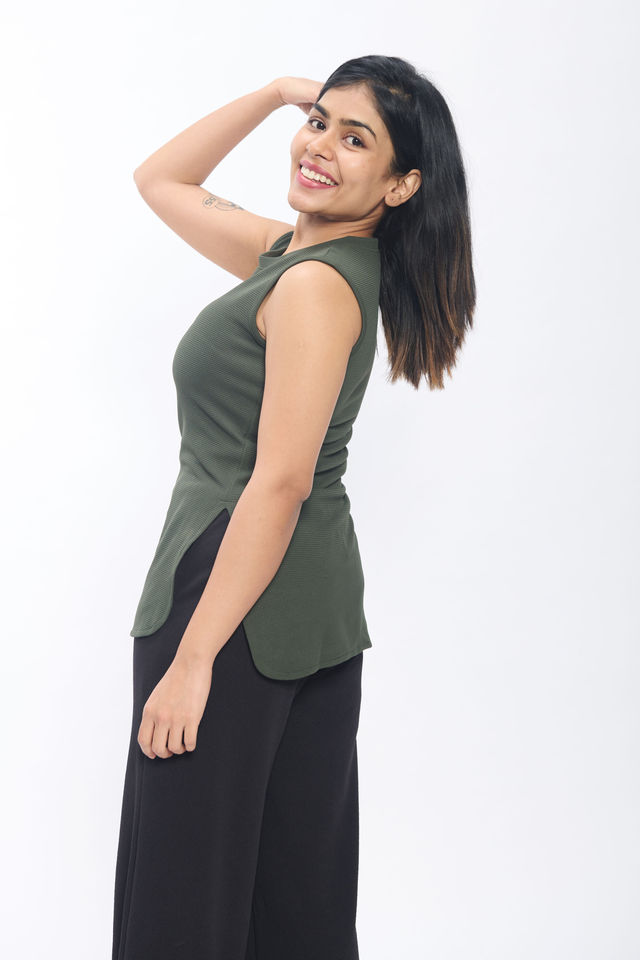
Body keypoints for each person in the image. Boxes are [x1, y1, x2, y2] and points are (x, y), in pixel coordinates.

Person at [112, 55, 475, 960]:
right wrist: (278, 93)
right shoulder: (300, 259)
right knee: (294, 902)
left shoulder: (311, 286)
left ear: (400, 185)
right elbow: (162, 182)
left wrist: (194, 657)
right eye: (319, 123)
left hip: (232, 596)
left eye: (356, 140)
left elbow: (280, 483)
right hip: (306, 607)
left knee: (183, 902)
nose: (320, 147)